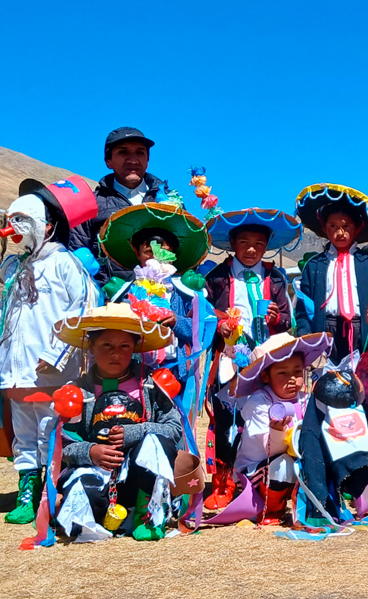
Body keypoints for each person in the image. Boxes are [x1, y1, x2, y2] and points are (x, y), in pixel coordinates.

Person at [0, 177, 98, 525]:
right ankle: (26, 488)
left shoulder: (65, 263)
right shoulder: (13, 267)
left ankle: (50, 491)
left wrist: (58, 353)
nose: (15, 229)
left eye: (23, 222)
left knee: (49, 430)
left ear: (47, 225)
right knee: (23, 434)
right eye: (12, 222)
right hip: (15, 367)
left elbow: (85, 305)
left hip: (50, 369)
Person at [52, 303, 181, 541]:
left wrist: (137, 432)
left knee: (155, 441)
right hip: (96, 473)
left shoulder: (152, 386)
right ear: (91, 345)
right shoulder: (77, 392)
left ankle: (148, 515)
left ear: (135, 348)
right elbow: (65, 443)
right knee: (82, 506)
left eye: (124, 346)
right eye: (106, 345)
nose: (115, 353)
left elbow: (174, 430)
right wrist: (91, 451)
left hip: (139, 476)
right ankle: (106, 515)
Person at [203, 208, 300, 508]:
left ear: (267, 246)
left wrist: (276, 317)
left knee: (259, 417)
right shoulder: (217, 276)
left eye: (258, 244)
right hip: (229, 359)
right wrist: (221, 322)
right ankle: (223, 481)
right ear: (232, 243)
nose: (251, 249)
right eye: (244, 242)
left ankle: (260, 478)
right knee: (226, 420)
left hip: (265, 361)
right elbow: (203, 313)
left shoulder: (275, 278)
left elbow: (287, 320)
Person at [97, 201, 212, 380]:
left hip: (174, 367)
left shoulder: (183, 292)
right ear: (137, 252)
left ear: (174, 256)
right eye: (149, 251)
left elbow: (200, 330)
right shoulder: (126, 293)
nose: (156, 258)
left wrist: (177, 321)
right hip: (134, 369)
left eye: (164, 253)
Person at [231, 332, 332, 525]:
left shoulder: (306, 400)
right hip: (257, 471)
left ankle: (317, 506)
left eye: (297, 371)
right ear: (265, 376)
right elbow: (262, 449)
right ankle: (270, 510)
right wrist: (277, 432)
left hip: (295, 463)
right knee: (283, 464)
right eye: (282, 373)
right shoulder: (259, 403)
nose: (292, 379)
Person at [294, 183, 368, 363]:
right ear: (325, 228)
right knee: (326, 382)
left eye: (346, 226)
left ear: (357, 227)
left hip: (362, 329)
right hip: (326, 328)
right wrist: (306, 336)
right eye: (333, 226)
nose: (340, 232)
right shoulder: (314, 266)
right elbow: (303, 308)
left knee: (361, 383)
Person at [71, 127, 165, 284]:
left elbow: (186, 253)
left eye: (140, 152)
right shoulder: (91, 205)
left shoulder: (168, 203)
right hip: (108, 301)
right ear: (108, 161)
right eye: (123, 152)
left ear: (147, 161)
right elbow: (76, 259)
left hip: (162, 300)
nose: (133, 159)